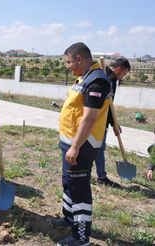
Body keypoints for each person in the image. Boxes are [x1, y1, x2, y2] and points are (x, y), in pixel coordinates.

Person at [54, 42, 111, 246]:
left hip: (82, 146)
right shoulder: (84, 77)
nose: (67, 66)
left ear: (79, 59)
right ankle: (69, 219)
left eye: (69, 62)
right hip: (69, 142)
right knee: (68, 183)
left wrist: (75, 147)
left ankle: (81, 237)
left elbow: (89, 119)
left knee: (79, 190)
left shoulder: (97, 81)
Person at [94, 58, 130, 187]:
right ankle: (100, 177)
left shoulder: (111, 80)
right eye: (124, 73)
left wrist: (114, 123)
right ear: (119, 69)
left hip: (101, 120)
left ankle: (98, 176)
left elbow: (109, 105)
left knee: (96, 149)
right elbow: (105, 106)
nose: (123, 76)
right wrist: (114, 124)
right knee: (95, 149)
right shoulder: (106, 80)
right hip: (96, 121)